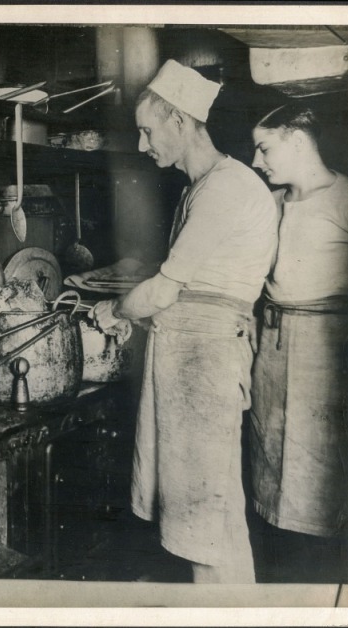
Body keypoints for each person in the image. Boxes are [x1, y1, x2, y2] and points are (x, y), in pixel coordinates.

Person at [89, 60, 279, 583]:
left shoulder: (225, 188)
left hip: (205, 363)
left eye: (148, 131)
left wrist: (112, 309)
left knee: (205, 520)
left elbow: (165, 290)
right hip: (192, 359)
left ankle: (220, 612)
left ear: (179, 120)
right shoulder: (203, 186)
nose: (144, 145)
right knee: (209, 516)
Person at [248, 103, 348, 580]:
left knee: (320, 463)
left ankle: (321, 577)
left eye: (264, 147)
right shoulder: (271, 202)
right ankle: (279, 571)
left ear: (296, 140)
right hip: (271, 343)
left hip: (326, 349)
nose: (256, 160)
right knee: (270, 453)